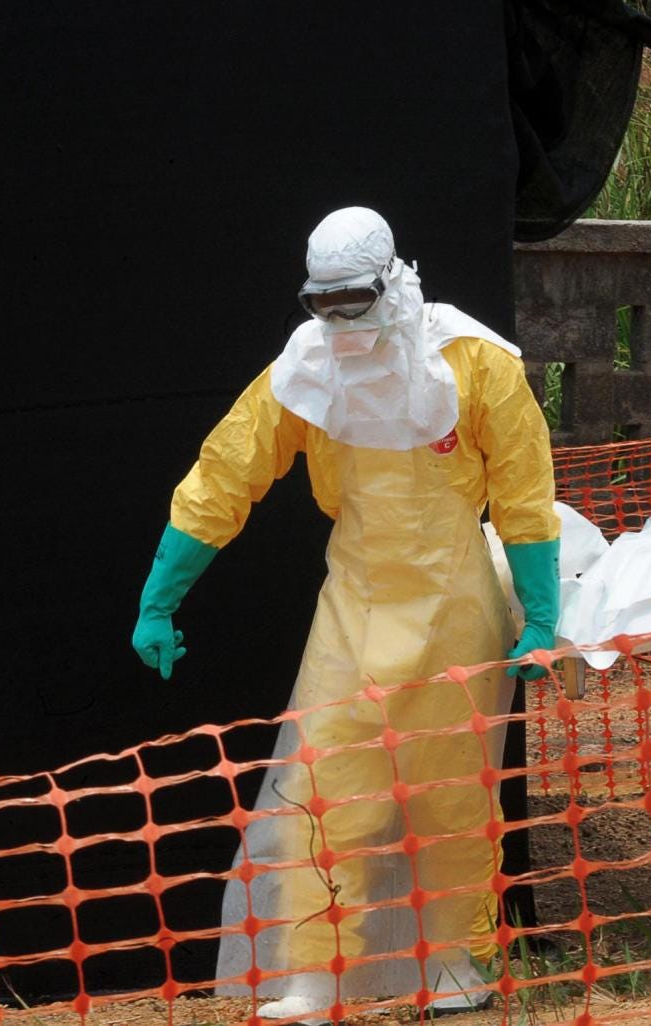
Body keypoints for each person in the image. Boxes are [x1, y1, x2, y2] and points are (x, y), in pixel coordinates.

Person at [131, 207, 560, 1018]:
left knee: (454, 794)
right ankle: (314, 973)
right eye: (321, 304)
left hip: (456, 603)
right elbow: (228, 470)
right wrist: (162, 594)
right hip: (354, 604)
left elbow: (525, 497)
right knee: (320, 789)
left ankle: (461, 963)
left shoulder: (472, 366)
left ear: (390, 280)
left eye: (352, 301)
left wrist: (540, 615)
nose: (338, 321)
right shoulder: (305, 370)